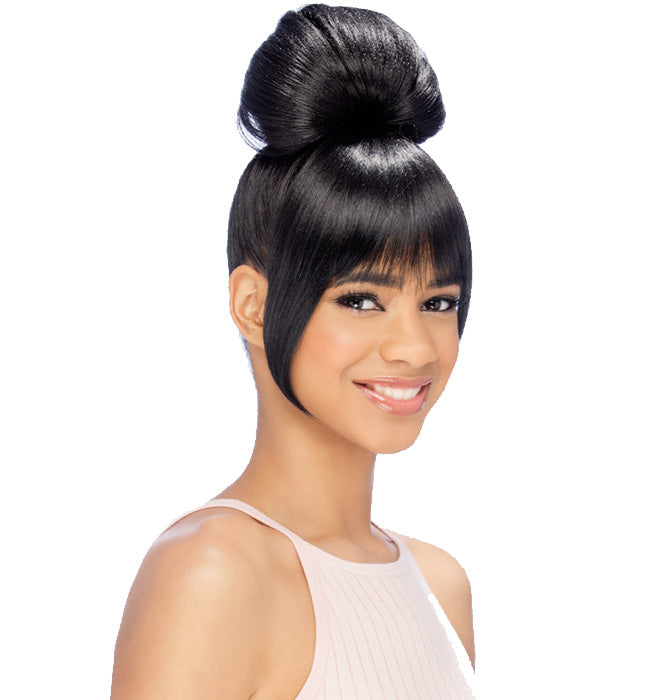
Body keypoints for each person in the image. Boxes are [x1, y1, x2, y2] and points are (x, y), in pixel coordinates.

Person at [111, 4, 476, 699]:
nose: (414, 348)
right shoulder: (213, 572)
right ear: (253, 306)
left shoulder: (441, 585)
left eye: (438, 303)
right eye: (361, 300)